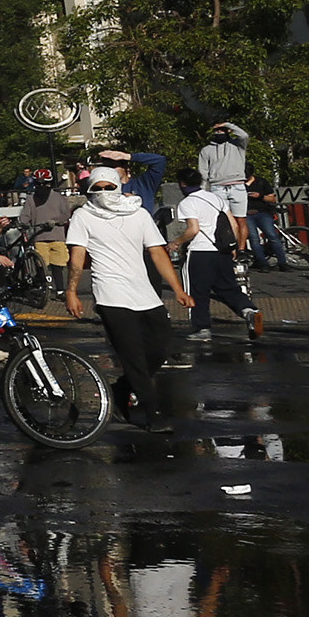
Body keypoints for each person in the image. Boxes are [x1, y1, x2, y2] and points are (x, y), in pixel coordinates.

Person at [66, 165, 188, 428]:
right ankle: (151, 412)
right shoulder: (83, 216)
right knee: (131, 353)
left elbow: (157, 252)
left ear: (118, 186)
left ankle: (122, 388)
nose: (103, 193)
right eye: (96, 188)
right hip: (110, 294)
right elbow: (77, 256)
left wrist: (177, 289)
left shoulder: (139, 214)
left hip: (144, 292)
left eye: (108, 187)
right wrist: (72, 290)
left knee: (160, 347)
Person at [170, 174, 261, 344]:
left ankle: (202, 328)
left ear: (182, 184)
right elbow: (233, 223)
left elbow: (193, 229)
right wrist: (233, 247)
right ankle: (249, 311)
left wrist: (176, 242)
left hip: (200, 252)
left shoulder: (187, 203)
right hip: (222, 251)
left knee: (198, 292)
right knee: (229, 288)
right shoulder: (215, 198)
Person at [197, 122, 252, 253]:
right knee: (223, 219)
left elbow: (244, 136)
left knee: (241, 219)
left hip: (237, 185)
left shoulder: (237, 145)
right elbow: (203, 173)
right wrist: (203, 192)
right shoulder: (206, 150)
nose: (219, 132)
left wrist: (229, 125)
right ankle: (229, 247)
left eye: (222, 130)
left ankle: (242, 249)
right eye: (217, 130)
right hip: (217, 187)